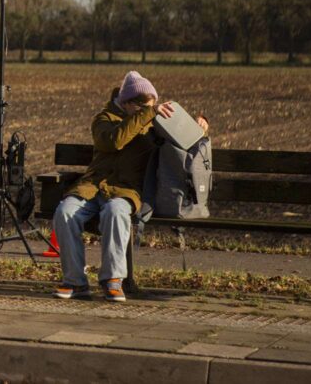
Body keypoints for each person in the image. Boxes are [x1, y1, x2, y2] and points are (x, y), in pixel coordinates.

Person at [52, 71, 208, 302]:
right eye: (144, 106)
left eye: (151, 105)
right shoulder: (103, 119)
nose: (150, 109)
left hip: (126, 191)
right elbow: (115, 141)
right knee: (64, 213)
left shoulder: (153, 122)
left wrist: (201, 127)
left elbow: (185, 141)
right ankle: (75, 282)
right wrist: (147, 114)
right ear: (126, 104)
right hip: (92, 186)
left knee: (116, 213)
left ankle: (113, 280)